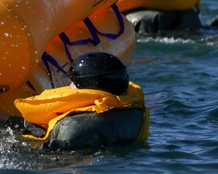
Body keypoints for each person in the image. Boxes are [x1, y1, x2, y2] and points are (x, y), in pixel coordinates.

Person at [15, 52, 149, 152]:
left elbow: (51, 159)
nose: (70, 85)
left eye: (74, 81)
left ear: (89, 86)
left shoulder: (75, 128)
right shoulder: (131, 109)